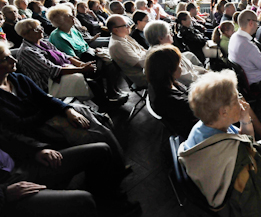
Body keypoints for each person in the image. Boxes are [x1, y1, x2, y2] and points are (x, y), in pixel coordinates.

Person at [179, 70, 261, 217]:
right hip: (253, 193)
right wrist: (246, 121)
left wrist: (244, 120)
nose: (243, 103)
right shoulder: (233, 151)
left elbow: (245, 142)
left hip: (230, 185)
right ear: (224, 112)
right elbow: (253, 151)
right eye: (237, 99)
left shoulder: (204, 126)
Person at [0, 41, 127, 172]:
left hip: (46, 117)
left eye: (10, 55)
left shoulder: (18, 78)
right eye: (5, 59)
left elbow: (46, 99)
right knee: (93, 134)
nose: (14, 60)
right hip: (39, 130)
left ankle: (118, 165)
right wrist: (52, 108)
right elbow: (22, 125)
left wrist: (68, 110)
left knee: (96, 122)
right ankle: (113, 168)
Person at [0, 125, 140, 217]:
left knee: (101, 150)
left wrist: (37, 149)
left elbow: (9, 136)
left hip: (21, 166)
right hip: (7, 189)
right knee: (82, 201)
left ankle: (111, 207)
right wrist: (4, 193)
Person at [47, 5, 126, 102]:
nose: (73, 17)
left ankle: (112, 91)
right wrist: (85, 65)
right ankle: (108, 95)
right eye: (69, 16)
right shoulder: (58, 36)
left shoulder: (73, 30)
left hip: (88, 55)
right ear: (60, 20)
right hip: (77, 63)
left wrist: (96, 51)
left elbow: (85, 46)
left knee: (113, 60)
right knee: (109, 65)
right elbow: (71, 58)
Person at [14, 19, 96, 97]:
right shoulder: (27, 51)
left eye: (40, 28)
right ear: (24, 34)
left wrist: (82, 64)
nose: (41, 30)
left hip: (60, 73)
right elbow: (52, 70)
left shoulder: (44, 42)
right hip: (48, 84)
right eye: (36, 29)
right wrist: (82, 69)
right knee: (82, 79)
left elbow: (65, 56)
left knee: (94, 77)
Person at [144, 45, 200, 138]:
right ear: (169, 70)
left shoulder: (158, 83)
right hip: (196, 131)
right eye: (178, 64)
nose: (181, 66)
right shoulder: (171, 101)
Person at [144, 20, 206, 87]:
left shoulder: (161, 51)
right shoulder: (165, 56)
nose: (172, 34)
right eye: (169, 32)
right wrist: (206, 77)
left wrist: (204, 71)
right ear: (160, 38)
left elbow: (190, 68)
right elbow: (188, 79)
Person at [107, 14, 147, 87]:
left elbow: (142, 49)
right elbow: (141, 64)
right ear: (115, 29)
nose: (129, 26)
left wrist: (142, 54)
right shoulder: (118, 45)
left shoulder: (125, 36)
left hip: (146, 69)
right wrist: (144, 54)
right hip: (143, 76)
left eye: (128, 24)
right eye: (125, 25)